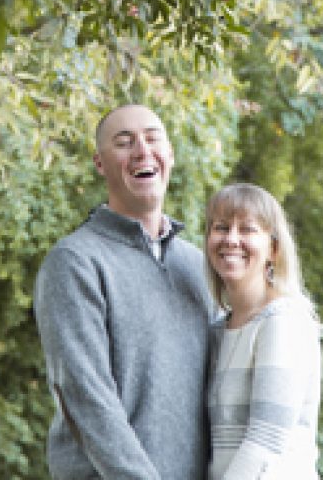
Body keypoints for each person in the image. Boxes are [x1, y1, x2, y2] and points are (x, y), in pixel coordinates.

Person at [34, 103, 215, 480]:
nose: (142, 151)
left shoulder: (198, 266)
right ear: (100, 163)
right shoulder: (76, 262)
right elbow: (86, 396)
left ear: (170, 155)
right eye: (124, 142)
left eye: (152, 138)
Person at [205, 182, 323, 480]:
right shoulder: (218, 330)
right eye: (221, 227)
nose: (231, 239)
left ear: (273, 249)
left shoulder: (283, 321)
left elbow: (265, 442)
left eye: (247, 229)